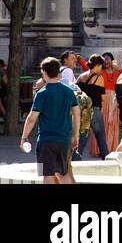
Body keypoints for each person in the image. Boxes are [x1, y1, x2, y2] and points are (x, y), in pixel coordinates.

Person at [19, 56, 80, 185]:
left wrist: (24, 137)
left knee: (46, 175)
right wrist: (75, 134)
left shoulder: (41, 93)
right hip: (64, 139)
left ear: (44, 72)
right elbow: (77, 113)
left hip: (45, 141)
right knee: (63, 174)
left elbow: (31, 118)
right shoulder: (69, 92)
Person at [76, 54, 108, 159]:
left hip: (82, 110)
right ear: (97, 65)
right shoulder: (99, 78)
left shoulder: (81, 77)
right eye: (101, 66)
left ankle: (76, 158)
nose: (101, 68)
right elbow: (103, 97)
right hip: (94, 109)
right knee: (100, 136)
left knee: (82, 136)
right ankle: (106, 158)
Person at [101, 52, 121, 151]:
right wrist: (79, 58)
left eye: (107, 58)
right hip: (103, 100)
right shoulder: (100, 72)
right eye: (103, 59)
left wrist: (116, 67)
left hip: (114, 100)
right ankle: (101, 148)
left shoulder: (118, 72)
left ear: (112, 60)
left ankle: (111, 147)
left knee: (112, 123)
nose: (105, 60)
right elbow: (87, 69)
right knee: (103, 123)